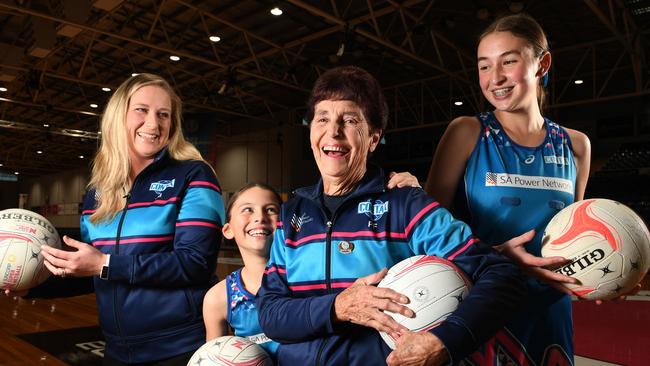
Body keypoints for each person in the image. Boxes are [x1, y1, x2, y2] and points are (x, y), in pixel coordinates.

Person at [256, 65, 527, 366]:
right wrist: (338, 307)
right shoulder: (292, 213)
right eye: (322, 119)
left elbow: (502, 277)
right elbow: (270, 314)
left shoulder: (405, 206)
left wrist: (445, 342)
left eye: (349, 120)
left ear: (373, 138)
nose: (333, 132)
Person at [14, 73, 225, 365]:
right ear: (117, 116)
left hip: (179, 349)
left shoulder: (193, 175)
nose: (153, 123)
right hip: (117, 350)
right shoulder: (97, 192)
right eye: (142, 109)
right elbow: (91, 273)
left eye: (164, 114)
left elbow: (195, 263)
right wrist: (32, 286)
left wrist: (104, 263)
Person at [424, 14, 590, 365]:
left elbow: (575, 236)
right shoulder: (466, 132)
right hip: (482, 308)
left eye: (509, 62)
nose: (494, 78)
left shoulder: (576, 146)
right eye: (484, 66)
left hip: (550, 313)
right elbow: (424, 239)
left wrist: (614, 268)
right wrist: (495, 255)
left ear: (542, 63)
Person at [203, 175, 421, 356]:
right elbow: (213, 357)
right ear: (227, 229)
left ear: (287, 224)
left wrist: (412, 195)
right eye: (247, 210)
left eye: (270, 209)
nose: (260, 217)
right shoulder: (218, 298)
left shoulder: (311, 279)